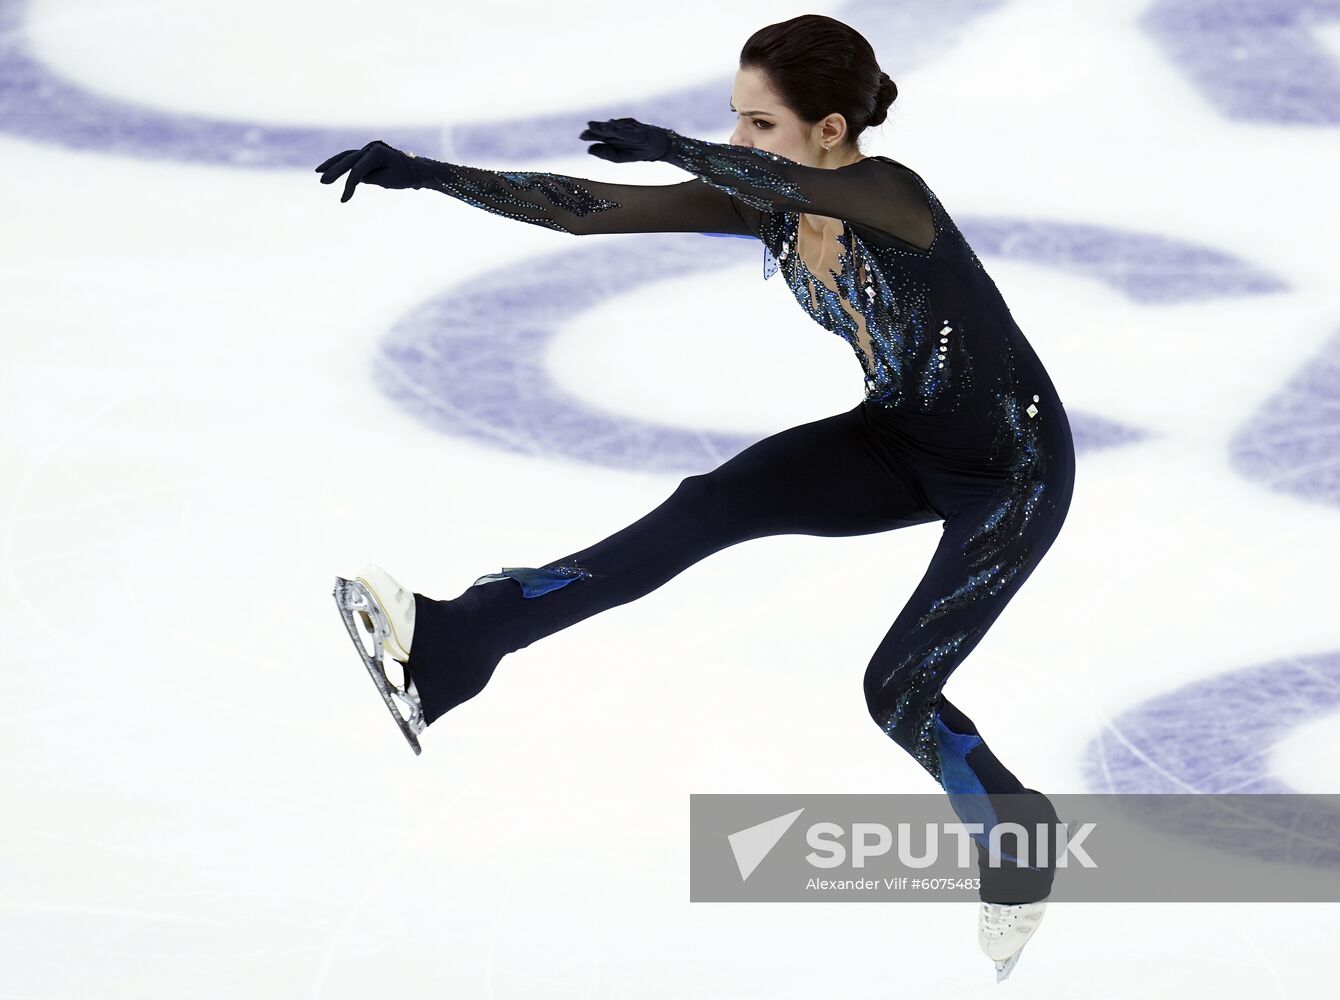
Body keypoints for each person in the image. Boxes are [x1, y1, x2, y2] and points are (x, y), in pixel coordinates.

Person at [321, 13, 1073, 983]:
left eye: (757, 124)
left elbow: (793, 184)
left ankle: (1014, 838)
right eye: (732, 121)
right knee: (711, 502)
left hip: (1011, 470)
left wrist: (673, 144)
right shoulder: (760, 202)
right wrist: (431, 173)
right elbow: (587, 205)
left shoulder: (892, 194)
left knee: (897, 691)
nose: (736, 144)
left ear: (830, 128)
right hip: (896, 439)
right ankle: (459, 644)